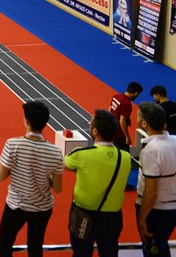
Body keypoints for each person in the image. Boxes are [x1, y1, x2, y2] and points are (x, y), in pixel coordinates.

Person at [0, 101, 64, 257]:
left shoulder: (12, 144)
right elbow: (58, 188)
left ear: (26, 121)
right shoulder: (55, 152)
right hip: (42, 208)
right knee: (35, 246)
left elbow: (1, 176)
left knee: (5, 244)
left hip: (16, 206)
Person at [65, 110, 133, 257]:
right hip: (113, 218)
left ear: (95, 131)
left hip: (83, 215)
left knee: (81, 253)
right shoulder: (125, 157)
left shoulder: (80, 154)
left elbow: (63, 164)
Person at [135, 101, 176, 257]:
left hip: (155, 211)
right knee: (161, 245)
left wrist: (142, 218)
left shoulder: (150, 151)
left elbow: (151, 192)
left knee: (154, 250)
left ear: (144, 123)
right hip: (175, 209)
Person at [110, 82, 143, 151]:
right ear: (136, 93)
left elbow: (109, 110)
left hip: (112, 129)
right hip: (119, 134)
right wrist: (127, 136)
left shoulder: (116, 96)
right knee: (124, 153)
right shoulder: (126, 103)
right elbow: (122, 121)